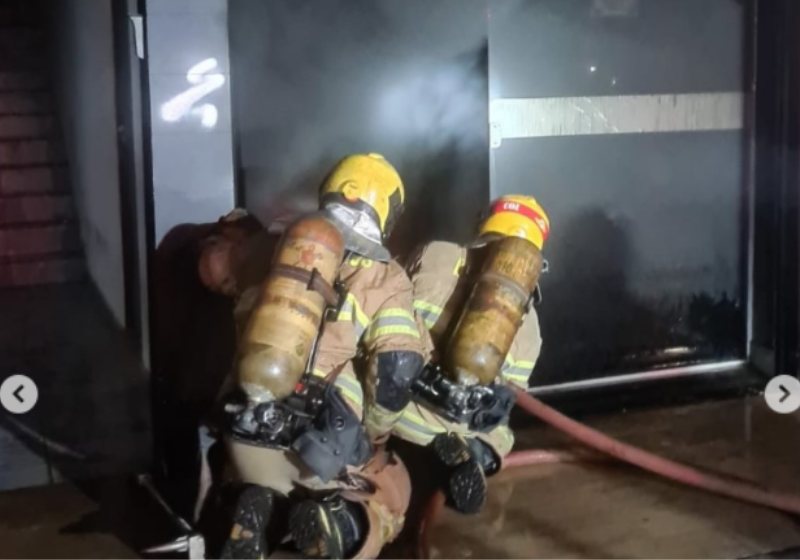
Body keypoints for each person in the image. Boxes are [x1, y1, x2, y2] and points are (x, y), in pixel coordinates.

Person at [201, 154, 425, 559]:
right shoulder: (385, 276)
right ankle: (337, 521)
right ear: (386, 209)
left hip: (243, 422)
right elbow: (396, 373)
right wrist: (374, 438)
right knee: (393, 490)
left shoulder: (269, 244)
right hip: (317, 441)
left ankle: (256, 507)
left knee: (262, 481)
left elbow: (217, 272)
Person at [392, 194, 549, 516]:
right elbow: (507, 400)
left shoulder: (436, 253)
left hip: (396, 405)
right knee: (502, 432)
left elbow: (383, 301)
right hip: (459, 425)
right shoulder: (530, 325)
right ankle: (477, 455)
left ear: (485, 225)